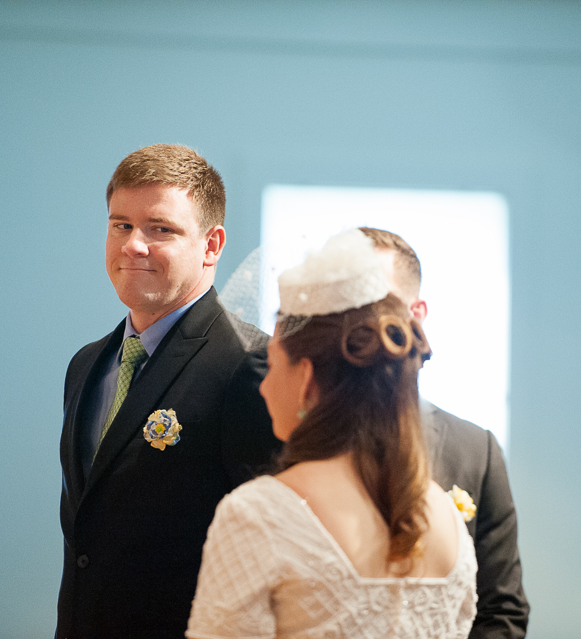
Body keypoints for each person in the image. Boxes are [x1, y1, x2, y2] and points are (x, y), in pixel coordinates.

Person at [187, 229, 478, 638]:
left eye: (272, 366)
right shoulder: (446, 516)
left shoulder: (259, 515)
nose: (265, 386)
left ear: (306, 377)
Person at [56, 144, 281, 638]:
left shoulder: (254, 368)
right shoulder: (87, 365)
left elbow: (271, 551)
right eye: (121, 225)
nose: (134, 245)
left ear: (211, 245)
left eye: (161, 229)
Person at [359, 226, 530, 639]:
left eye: (373, 303)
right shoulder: (284, 434)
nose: (355, 323)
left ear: (416, 314)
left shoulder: (476, 451)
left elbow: (501, 609)